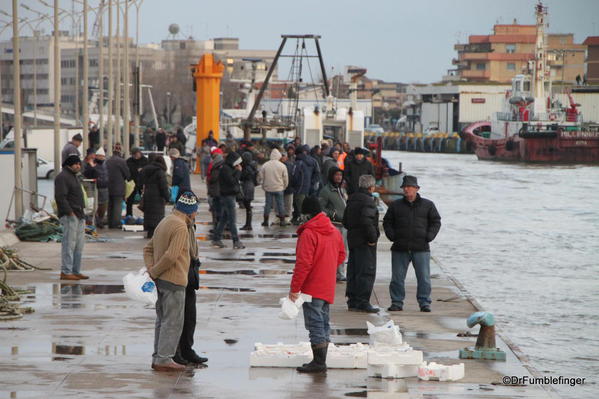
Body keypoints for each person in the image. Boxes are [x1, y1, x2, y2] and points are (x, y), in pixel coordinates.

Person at [289, 197, 345, 373]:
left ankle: (319, 363)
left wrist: (294, 289)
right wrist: (327, 267)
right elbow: (342, 255)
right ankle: (321, 359)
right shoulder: (334, 231)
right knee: (323, 322)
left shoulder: (309, 233)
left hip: (312, 286)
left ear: (307, 214)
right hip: (327, 284)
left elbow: (303, 264)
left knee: (315, 324)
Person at [144, 192, 198, 372]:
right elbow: (171, 256)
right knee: (173, 322)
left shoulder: (165, 221)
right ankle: (165, 359)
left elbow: (148, 249)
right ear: (190, 211)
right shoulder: (181, 227)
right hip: (174, 280)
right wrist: (155, 271)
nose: (195, 215)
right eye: (195, 212)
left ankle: (158, 356)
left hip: (160, 281)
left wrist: (152, 270)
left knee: (162, 320)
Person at [383, 175, 441, 312]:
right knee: (397, 278)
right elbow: (387, 222)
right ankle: (397, 302)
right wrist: (392, 236)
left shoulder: (428, 205)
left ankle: (424, 303)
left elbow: (436, 222)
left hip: (421, 248)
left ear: (417, 189)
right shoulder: (395, 205)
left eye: (409, 186)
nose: (406, 189)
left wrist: (429, 236)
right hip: (400, 248)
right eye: (405, 187)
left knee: (424, 278)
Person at [174, 213, 208, 366]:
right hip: (179, 274)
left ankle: (187, 349)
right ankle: (176, 352)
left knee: (190, 316)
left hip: (190, 273)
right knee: (177, 317)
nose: (195, 213)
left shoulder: (190, 225)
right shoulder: (178, 226)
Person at [342, 175, 380, 313]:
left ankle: (352, 300)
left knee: (353, 271)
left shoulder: (352, 199)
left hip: (353, 240)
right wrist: (372, 238)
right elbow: (367, 221)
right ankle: (363, 301)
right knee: (366, 271)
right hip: (365, 242)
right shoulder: (368, 201)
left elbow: (345, 221)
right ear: (371, 187)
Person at [54, 155, 88, 281]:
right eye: (76, 164)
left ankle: (75, 270)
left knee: (79, 245)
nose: (78, 166)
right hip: (70, 216)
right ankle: (66, 271)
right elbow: (60, 197)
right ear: (69, 164)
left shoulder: (74, 176)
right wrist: (70, 213)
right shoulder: (62, 177)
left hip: (79, 215)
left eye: (79, 164)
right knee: (69, 244)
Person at [318, 166, 348, 282]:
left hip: (344, 225)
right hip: (334, 225)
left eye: (340, 175)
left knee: (343, 251)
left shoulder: (342, 190)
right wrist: (334, 214)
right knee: (333, 252)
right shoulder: (326, 191)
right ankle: (335, 273)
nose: (339, 177)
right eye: (336, 175)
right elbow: (321, 208)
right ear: (331, 176)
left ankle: (340, 273)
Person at [211, 151, 245, 249]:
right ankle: (236, 241)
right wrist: (238, 172)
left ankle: (216, 239)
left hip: (228, 195)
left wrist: (236, 171)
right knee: (232, 220)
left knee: (224, 219)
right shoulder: (225, 169)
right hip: (227, 196)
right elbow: (232, 182)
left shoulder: (228, 168)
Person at [141, 155, 170, 238]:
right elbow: (163, 187)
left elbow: (140, 181)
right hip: (158, 197)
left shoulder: (145, 170)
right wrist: (167, 198)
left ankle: (149, 233)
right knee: (157, 218)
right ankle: (155, 237)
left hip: (148, 195)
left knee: (149, 215)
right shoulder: (160, 172)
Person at [258, 148, 289, 227]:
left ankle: (265, 221)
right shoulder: (282, 165)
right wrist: (284, 186)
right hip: (279, 188)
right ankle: (282, 221)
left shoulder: (265, 165)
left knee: (267, 204)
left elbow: (261, 176)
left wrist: (263, 185)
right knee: (280, 204)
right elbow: (285, 178)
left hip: (268, 188)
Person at [291, 145, 320, 225]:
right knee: (309, 208)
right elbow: (317, 173)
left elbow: (294, 176)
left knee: (300, 207)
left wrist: (293, 186)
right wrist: (312, 184)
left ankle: (304, 224)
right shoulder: (314, 161)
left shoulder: (298, 163)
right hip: (311, 189)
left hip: (300, 189)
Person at [106, 143, 131, 228]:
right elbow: (127, 175)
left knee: (110, 205)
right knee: (117, 205)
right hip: (119, 187)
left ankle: (110, 222)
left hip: (108, 186)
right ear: (120, 151)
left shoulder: (107, 160)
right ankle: (116, 223)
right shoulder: (122, 161)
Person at [126, 147, 148, 217]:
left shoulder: (145, 160)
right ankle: (129, 215)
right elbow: (127, 172)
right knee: (130, 200)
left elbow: (148, 170)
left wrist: (143, 170)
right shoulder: (129, 161)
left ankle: (146, 215)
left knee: (145, 200)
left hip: (143, 182)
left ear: (140, 153)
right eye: (134, 154)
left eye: (136, 154)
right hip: (132, 183)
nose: (135, 156)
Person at [239, 151, 258, 231]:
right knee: (248, 206)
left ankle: (248, 224)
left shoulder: (247, 167)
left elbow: (243, 176)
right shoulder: (252, 166)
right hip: (250, 186)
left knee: (247, 206)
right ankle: (248, 224)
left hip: (247, 186)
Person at [206, 149, 224, 227]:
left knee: (216, 207)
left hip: (216, 189)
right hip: (217, 189)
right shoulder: (218, 165)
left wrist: (209, 179)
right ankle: (217, 223)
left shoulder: (216, 166)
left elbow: (213, 177)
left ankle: (217, 224)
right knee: (217, 207)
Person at [281, 152, 295, 224]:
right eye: (281, 156)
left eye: (284, 156)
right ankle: (282, 217)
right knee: (281, 203)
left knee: (288, 204)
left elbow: (293, 176)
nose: (282, 157)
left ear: (286, 157)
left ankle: (287, 217)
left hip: (289, 187)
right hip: (281, 187)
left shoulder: (290, 165)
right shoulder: (280, 165)